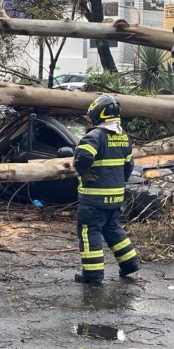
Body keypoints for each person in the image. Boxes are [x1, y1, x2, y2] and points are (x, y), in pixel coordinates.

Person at [71, 94, 140, 284]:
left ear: (98, 114)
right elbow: (129, 166)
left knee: (89, 231)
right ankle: (129, 264)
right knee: (112, 228)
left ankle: (92, 274)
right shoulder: (123, 138)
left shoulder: (94, 136)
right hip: (115, 197)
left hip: (94, 198)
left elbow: (82, 158)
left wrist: (83, 172)